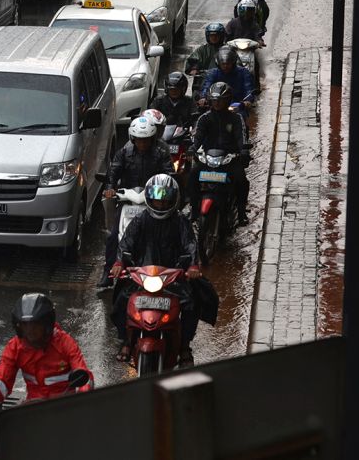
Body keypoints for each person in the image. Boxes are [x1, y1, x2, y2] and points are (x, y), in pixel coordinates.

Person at [110, 174, 207, 366]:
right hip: (142, 276)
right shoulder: (140, 219)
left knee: (191, 304)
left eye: (165, 200)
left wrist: (193, 266)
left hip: (173, 277)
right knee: (121, 301)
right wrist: (119, 262)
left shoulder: (180, 221)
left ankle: (185, 346)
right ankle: (126, 341)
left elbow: (190, 245)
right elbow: (125, 243)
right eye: (156, 199)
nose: (160, 204)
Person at [0, 293, 92, 409]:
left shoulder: (65, 343)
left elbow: (83, 375)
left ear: (47, 324)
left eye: (35, 325)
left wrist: (83, 398)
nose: (29, 330)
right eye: (25, 325)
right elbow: (2, 379)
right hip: (33, 410)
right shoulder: (15, 346)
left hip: (66, 408)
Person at [98, 117, 175, 288]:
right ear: (133, 139)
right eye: (139, 139)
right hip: (128, 201)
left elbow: (169, 174)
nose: (142, 143)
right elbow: (113, 172)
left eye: (146, 139)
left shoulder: (161, 154)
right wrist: (110, 188)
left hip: (153, 203)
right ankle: (108, 272)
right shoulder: (124, 153)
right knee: (112, 237)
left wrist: (164, 190)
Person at [190, 81, 250, 226]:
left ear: (227, 100)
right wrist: (192, 148)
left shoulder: (236, 119)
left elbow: (241, 136)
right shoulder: (204, 118)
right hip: (209, 159)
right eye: (215, 100)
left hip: (229, 160)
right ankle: (194, 209)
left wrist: (243, 150)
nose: (217, 103)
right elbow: (197, 136)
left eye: (221, 100)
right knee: (192, 177)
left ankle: (241, 213)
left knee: (241, 181)